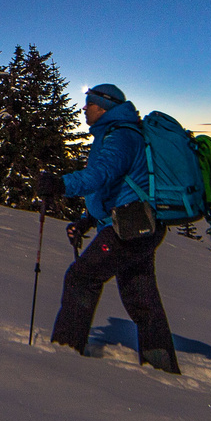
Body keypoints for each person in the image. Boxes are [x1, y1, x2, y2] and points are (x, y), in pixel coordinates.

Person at [34, 84, 181, 374]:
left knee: (82, 277)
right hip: (138, 225)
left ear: (104, 106)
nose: (84, 109)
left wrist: (61, 184)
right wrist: (89, 219)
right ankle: (162, 368)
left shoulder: (120, 136)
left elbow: (100, 175)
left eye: (89, 104)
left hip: (128, 229)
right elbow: (117, 187)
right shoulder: (119, 133)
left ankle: (64, 352)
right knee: (142, 299)